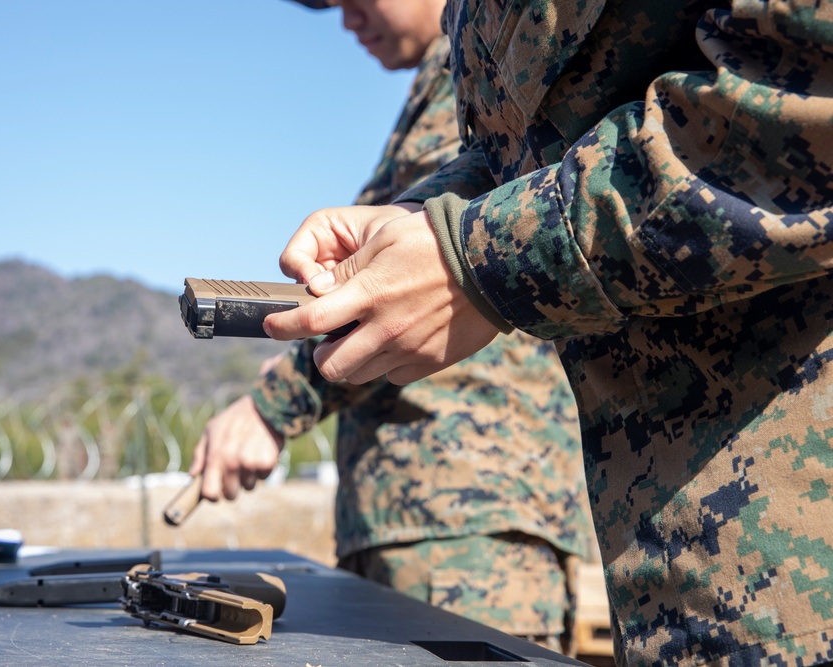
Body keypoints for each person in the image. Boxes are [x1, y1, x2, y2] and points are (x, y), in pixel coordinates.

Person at [264, 1, 833, 665]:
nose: (347, 20)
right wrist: (424, 214)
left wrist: (475, 255)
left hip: (793, 542)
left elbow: (805, 90)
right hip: (683, 565)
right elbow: (541, 147)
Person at [189, 0, 594, 653]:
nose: (348, 20)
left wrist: (269, 408)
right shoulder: (460, 70)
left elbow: (413, 271)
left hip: (458, 508)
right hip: (430, 512)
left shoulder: (484, 65)